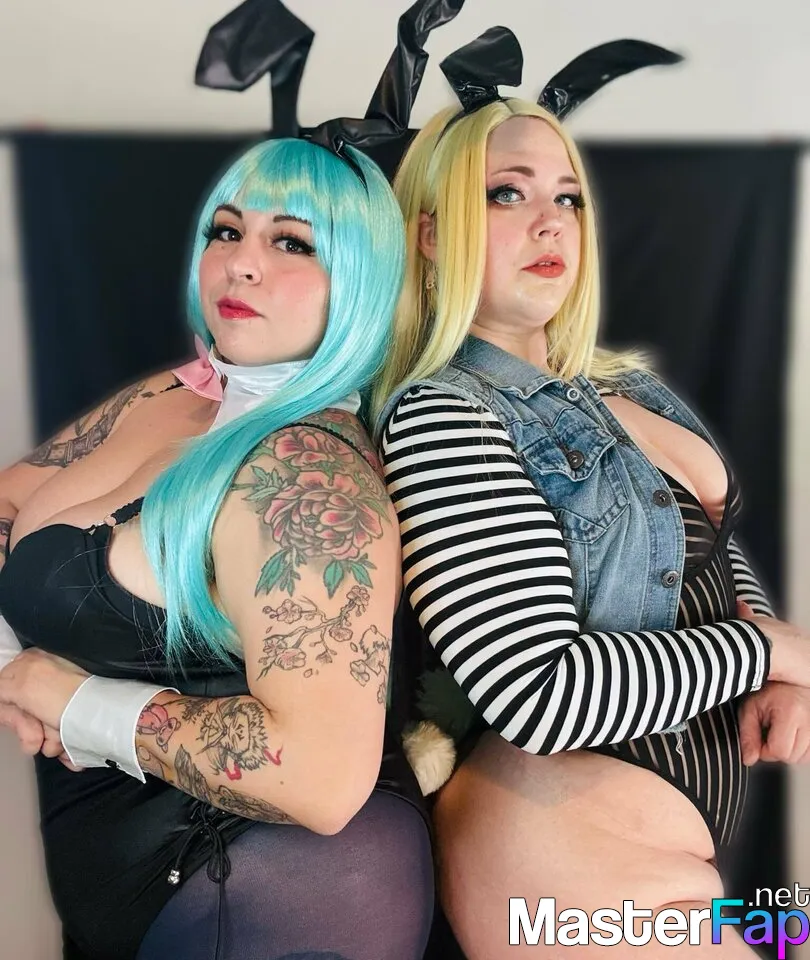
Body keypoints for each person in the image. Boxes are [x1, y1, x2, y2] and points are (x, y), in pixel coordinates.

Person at [371, 95, 810, 959]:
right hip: (561, 862)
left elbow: (707, 548)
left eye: (567, 197)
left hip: (671, 863)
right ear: (431, 235)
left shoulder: (628, 388)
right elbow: (537, 694)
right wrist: (767, 651)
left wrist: (775, 665)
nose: (551, 222)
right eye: (507, 192)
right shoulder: (443, 416)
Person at [0, 136, 433, 960]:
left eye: (293, 243)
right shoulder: (171, 396)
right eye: (227, 231)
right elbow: (7, 501)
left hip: (281, 899)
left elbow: (320, 777)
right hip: (129, 883)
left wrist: (73, 701)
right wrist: (11, 670)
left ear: (362, 281)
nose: (242, 264)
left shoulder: (310, 475)